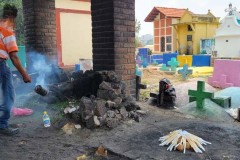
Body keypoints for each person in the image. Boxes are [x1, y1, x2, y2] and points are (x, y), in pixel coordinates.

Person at [0, 4, 31, 136]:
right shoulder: (7, 30)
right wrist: (25, 75)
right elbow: (14, 56)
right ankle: (2, 124)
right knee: (8, 95)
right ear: (12, 17)